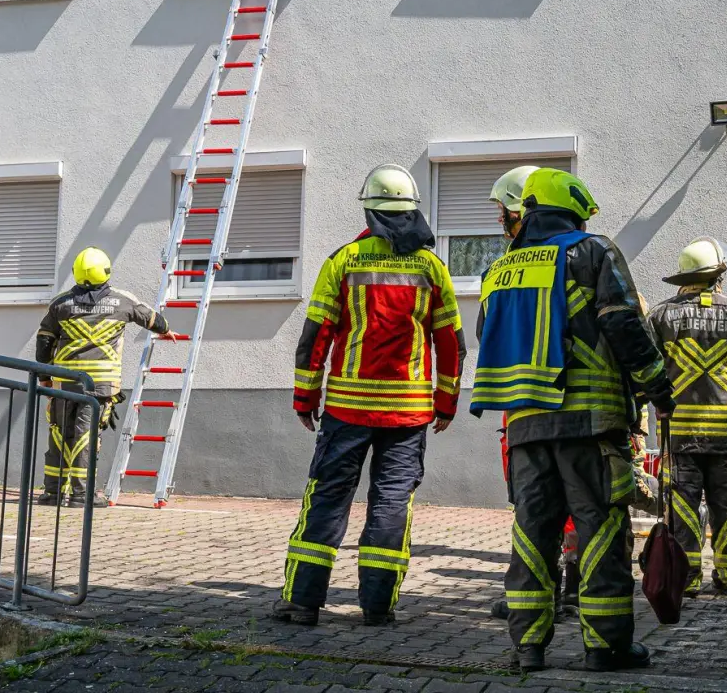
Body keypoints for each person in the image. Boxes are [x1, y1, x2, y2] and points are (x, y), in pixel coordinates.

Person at [470, 167, 671, 673]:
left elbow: (490, 334)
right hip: (588, 422)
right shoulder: (593, 251)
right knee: (601, 530)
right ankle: (606, 647)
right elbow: (623, 320)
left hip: (523, 425)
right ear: (575, 211)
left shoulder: (502, 270)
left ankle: (528, 647)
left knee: (532, 534)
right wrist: (656, 387)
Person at [275, 165, 466, 628]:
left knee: (328, 498)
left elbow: (315, 336)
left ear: (369, 209)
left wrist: (306, 397)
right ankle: (378, 606)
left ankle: (303, 603)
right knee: (392, 503)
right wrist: (445, 403)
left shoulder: (344, 260)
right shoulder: (432, 267)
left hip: (346, 410)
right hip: (409, 414)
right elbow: (451, 343)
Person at [646, 238, 727, 597]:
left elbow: (643, 370)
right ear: (719, 274)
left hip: (679, 431)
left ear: (684, 276)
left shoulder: (659, 317)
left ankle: (686, 580)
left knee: (682, 504)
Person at [34, 247, 175, 507]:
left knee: (59, 433)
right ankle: (81, 495)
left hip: (64, 383)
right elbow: (151, 317)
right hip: (101, 386)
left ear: (76, 272)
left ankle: (53, 493)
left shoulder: (60, 304)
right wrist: (165, 330)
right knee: (86, 437)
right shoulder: (122, 301)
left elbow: (44, 342)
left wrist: (44, 379)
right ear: (106, 272)